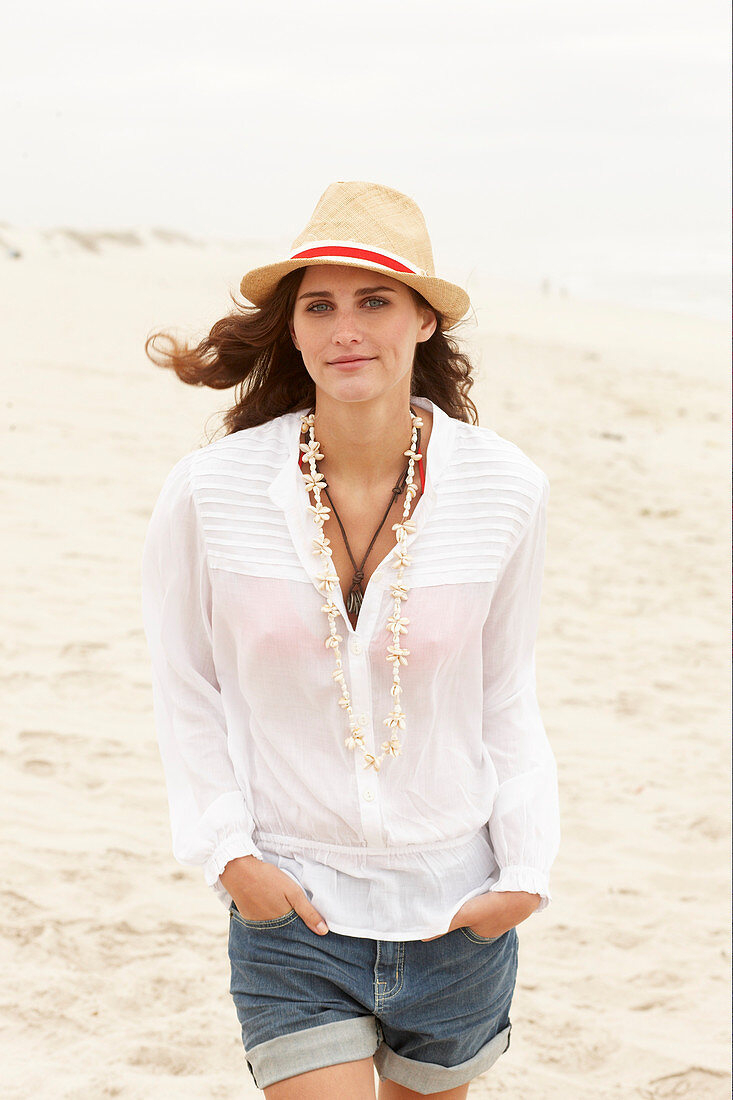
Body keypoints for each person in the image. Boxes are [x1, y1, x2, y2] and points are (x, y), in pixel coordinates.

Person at [141, 180, 560, 1100]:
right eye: (319, 305)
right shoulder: (211, 491)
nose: (346, 328)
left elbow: (505, 692)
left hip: (458, 912)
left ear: (422, 322)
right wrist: (228, 854)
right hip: (294, 907)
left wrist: (525, 872)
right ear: (292, 330)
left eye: (375, 300)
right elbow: (186, 687)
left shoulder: (504, 489)